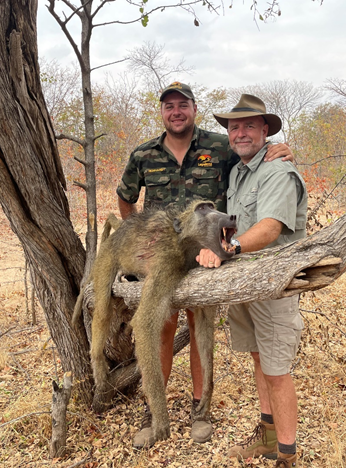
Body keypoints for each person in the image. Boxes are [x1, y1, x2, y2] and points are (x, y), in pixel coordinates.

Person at [116, 82, 294, 449]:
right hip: (161, 258)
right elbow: (125, 199)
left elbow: (254, 164)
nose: (176, 111)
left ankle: (201, 410)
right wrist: (137, 245)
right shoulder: (144, 154)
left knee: (202, 329)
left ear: (194, 109)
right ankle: (154, 411)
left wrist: (281, 149)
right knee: (159, 329)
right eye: (169, 106)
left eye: (183, 105)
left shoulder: (220, 146)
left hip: (207, 256)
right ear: (162, 112)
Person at [196, 94, 308, 467]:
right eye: (234, 127)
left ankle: (287, 456)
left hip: (273, 283)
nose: (240, 133)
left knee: (277, 370)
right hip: (245, 282)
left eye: (249, 125)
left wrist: (230, 249)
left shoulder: (278, 170)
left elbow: (271, 228)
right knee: (260, 360)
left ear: (265, 130)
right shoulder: (238, 171)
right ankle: (268, 435)